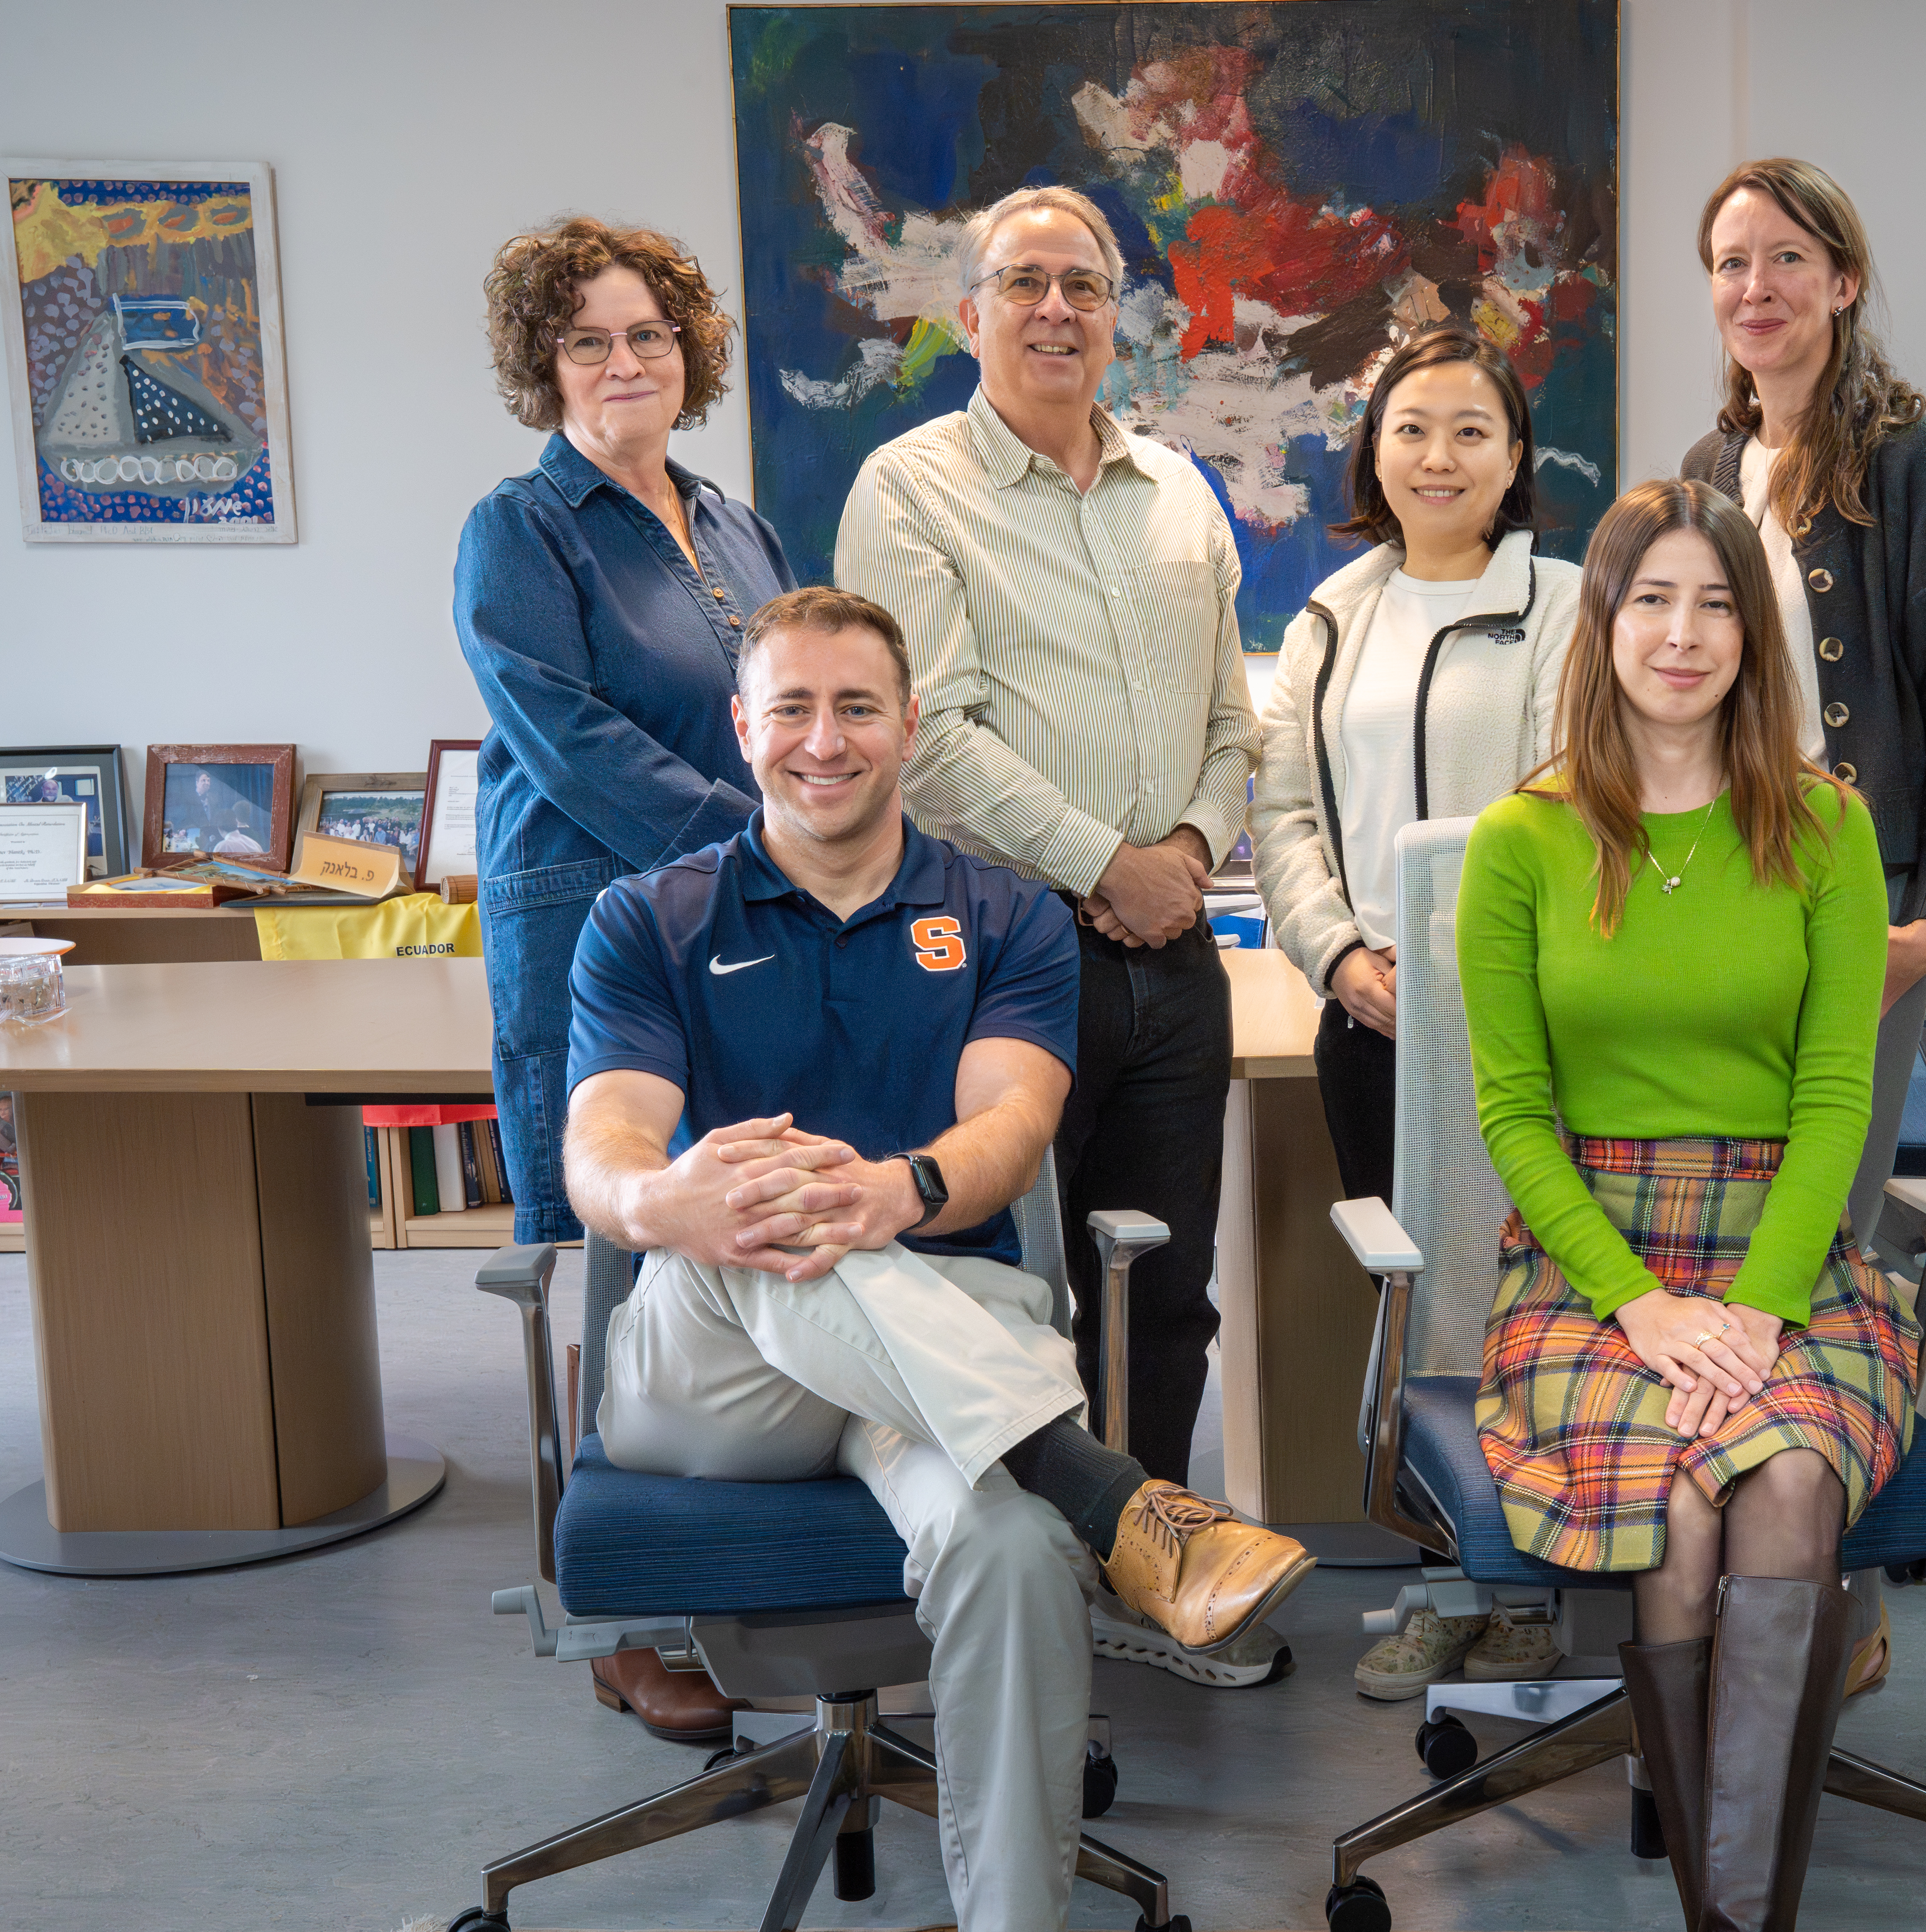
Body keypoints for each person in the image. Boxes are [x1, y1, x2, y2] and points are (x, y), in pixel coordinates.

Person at [564, 586, 1312, 1932]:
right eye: (793, 709)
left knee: (1011, 1549)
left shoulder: (1008, 915)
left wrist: (898, 1189)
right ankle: (1103, 1490)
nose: (825, 741)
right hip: (716, 1374)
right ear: (743, 727)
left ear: (912, 726)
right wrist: (665, 1196)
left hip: (931, 1354)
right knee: (753, 1197)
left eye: (857, 708)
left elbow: (1013, 1125)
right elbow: (604, 1141)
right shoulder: (650, 916)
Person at [1458, 479, 1919, 1932]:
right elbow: (1513, 1118)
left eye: (1718, 604)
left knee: (1787, 1481)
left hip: (1785, 1250)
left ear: (1753, 635)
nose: (1683, 633)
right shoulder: (1522, 840)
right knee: (1672, 1493)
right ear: (1602, 621)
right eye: (1651, 598)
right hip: (1592, 1266)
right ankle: (1723, 1886)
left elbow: (1834, 1100)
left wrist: (1762, 1307)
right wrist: (1645, 1306)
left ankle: (1736, 1912)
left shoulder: (1827, 829)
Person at [834, 185, 1262, 1681]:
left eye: (1084, 283)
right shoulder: (910, 488)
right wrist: (1104, 864)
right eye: (1024, 283)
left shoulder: (1178, 492)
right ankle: (1026, 1583)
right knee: (1008, 1287)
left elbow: (1234, 722)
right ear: (971, 314)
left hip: (1176, 959)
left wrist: (1184, 857)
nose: (1057, 310)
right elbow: (930, 734)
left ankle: (1158, 1570)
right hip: (1001, 955)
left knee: (1167, 1287)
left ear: (1118, 312)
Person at [456, 215, 800, 1743]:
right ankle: (621, 1615)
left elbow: (786, 702)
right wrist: (770, 841)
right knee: (609, 1254)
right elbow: (576, 742)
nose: (621, 363)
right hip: (597, 924)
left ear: (688, 351)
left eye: (647, 334)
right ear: (544, 365)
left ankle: (724, 1570)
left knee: (724, 1247)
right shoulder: (519, 530)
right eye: (586, 340)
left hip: (738, 920)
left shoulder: (734, 525)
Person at [1252, 325, 1581, 1699]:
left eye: (1470, 431)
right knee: (1417, 1300)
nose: (1439, 457)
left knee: (1533, 1298)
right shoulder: (1331, 618)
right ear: (1373, 456)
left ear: (1515, 459)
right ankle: (1453, 1577)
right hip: (1370, 1018)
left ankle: (1540, 1590)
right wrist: (1336, 956)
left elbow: (1572, 797)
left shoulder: (1566, 604)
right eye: (1411, 429)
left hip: (1527, 1019)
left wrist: (1459, 976)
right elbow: (1283, 814)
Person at [1684, 158, 1926, 1254]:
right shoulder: (1710, 467)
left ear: (1844, 281)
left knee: (1821, 1228)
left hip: (1861, 894)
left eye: (1788, 258)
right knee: (1720, 1207)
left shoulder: (1914, 466)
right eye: (1732, 263)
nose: (1756, 287)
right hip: (1722, 883)